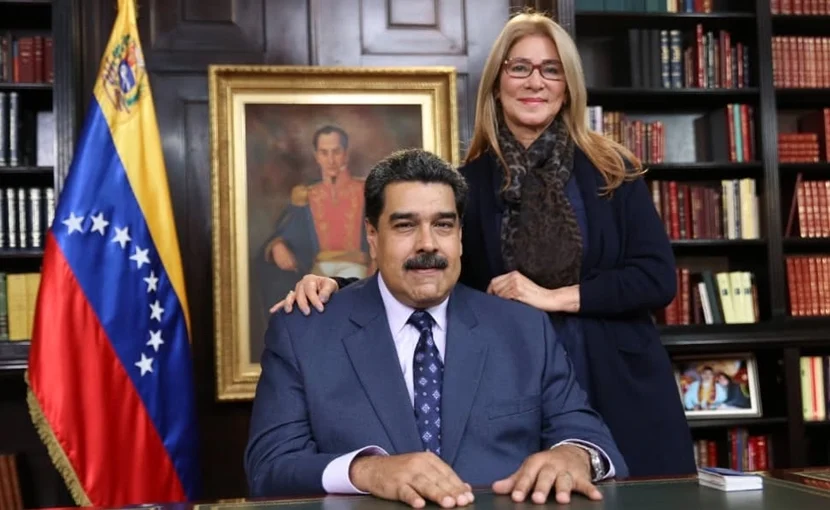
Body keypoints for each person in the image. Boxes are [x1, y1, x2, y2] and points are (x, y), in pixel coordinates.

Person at [270, 11, 697, 478]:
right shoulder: (468, 182)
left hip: (616, 375)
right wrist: (330, 287)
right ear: (496, 82)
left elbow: (656, 279)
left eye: (551, 69)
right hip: (510, 378)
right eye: (520, 68)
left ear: (568, 86)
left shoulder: (613, 170)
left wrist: (551, 297)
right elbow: (427, 268)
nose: (535, 82)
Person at [245, 148, 628, 508]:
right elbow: (269, 468)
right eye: (405, 225)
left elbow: (593, 440)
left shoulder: (523, 329)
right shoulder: (304, 333)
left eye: (443, 225)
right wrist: (368, 471)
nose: (427, 244)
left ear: (459, 236)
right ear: (373, 237)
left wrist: (575, 456)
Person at [256, 125, 371, 310]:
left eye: (336, 152)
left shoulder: (365, 190)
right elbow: (286, 230)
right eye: (324, 153)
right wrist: (278, 245)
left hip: (360, 273)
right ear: (317, 156)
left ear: (346, 154)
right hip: (316, 274)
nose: (331, 160)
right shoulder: (307, 195)